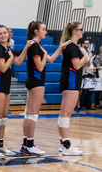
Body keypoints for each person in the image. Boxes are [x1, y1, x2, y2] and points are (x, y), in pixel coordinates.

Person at [18, 21, 69, 155]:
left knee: (28, 114)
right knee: (32, 115)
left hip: (32, 81)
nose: (46, 32)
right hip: (36, 82)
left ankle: (25, 143)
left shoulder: (37, 45)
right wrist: (43, 53)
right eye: (44, 30)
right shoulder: (35, 46)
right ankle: (30, 144)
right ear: (36, 31)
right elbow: (40, 67)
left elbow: (51, 59)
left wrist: (61, 47)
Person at [0, 25, 26, 159]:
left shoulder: (8, 49)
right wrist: (10, 57)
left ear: (8, 34)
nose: (3, 35)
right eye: (0, 33)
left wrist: (26, 48)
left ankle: (0, 146)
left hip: (5, 85)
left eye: (5, 33)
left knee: (3, 118)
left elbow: (18, 61)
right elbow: (2, 68)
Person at [58, 22, 90, 155]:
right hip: (70, 83)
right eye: (80, 29)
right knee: (66, 115)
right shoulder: (71, 46)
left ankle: (62, 143)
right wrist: (86, 57)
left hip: (71, 82)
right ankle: (66, 145)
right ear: (74, 31)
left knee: (65, 115)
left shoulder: (73, 46)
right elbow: (76, 65)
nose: (83, 31)